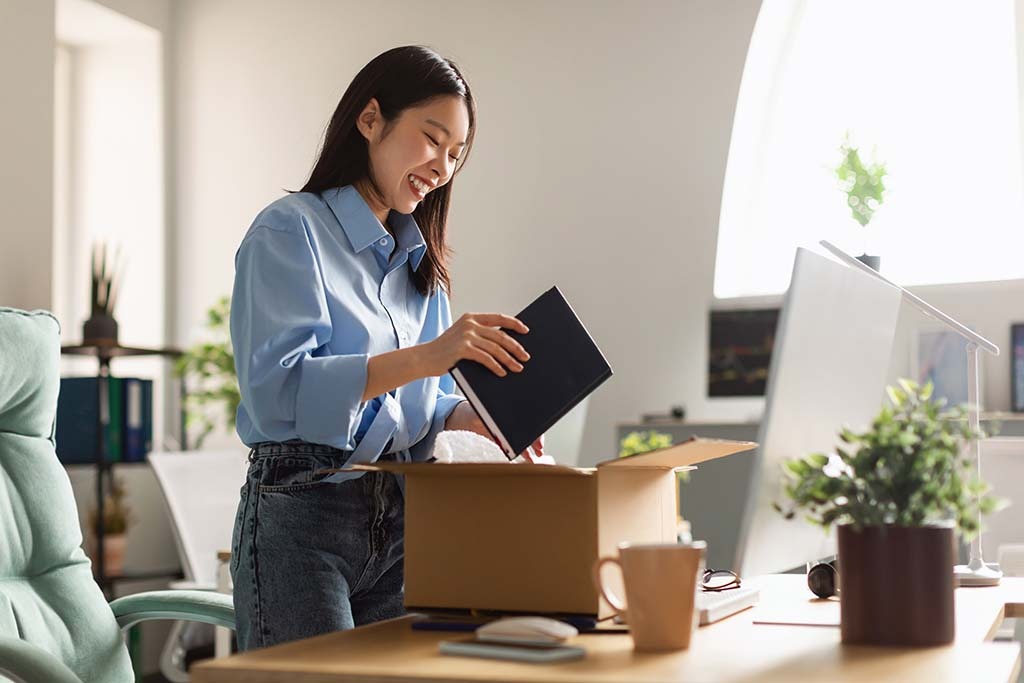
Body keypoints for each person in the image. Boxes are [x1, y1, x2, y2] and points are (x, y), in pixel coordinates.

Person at [228, 45, 544, 651]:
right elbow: (277, 393)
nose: (444, 167)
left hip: (397, 516)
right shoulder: (289, 230)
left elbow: (424, 405)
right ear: (370, 119)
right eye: (432, 139)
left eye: (457, 154)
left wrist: (482, 420)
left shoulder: (420, 267)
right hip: (303, 510)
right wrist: (432, 356)